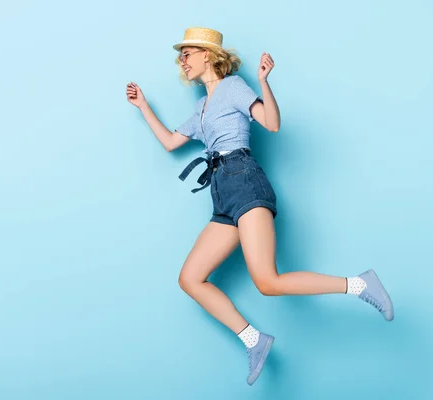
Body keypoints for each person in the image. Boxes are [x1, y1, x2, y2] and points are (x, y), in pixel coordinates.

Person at [126, 27, 394, 386]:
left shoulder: (234, 87)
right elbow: (172, 143)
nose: (182, 61)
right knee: (190, 279)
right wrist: (144, 107)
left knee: (267, 281)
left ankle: (359, 285)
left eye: (187, 53)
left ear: (208, 54)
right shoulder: (200, 107)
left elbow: (271, 122)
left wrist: (265, 82)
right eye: (181, 56)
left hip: (244, 178)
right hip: (222, 191)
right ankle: (254, 340)